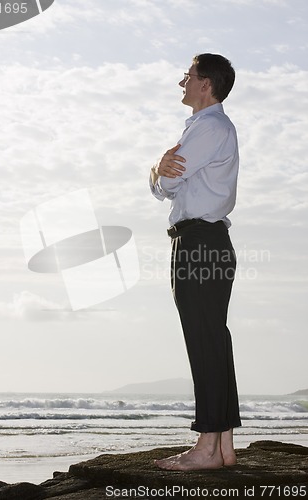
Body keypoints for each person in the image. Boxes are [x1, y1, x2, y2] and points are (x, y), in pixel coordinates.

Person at [149, 53, 241, 470]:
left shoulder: (210, 128)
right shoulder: (208, 128)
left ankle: (206, 447)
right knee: (213, 339)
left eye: (187, 76)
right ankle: (222, 445)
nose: (181, 82)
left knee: (205, 340)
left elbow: (168, 182)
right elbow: (166, 183)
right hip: (206, 241)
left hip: (200, 242)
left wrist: (156, 170)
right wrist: (158, 173)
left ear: (206, 84)